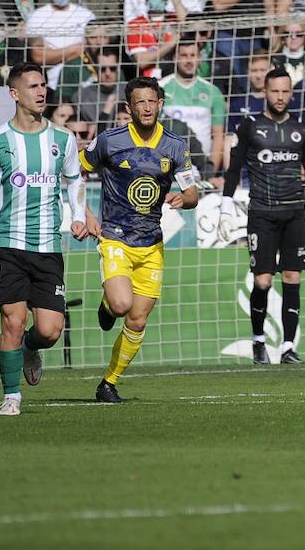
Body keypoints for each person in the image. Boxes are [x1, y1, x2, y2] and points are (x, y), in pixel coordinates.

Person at [0, 63, 88, 415]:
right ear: (14, 93)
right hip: (8, 244)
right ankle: (11, 396)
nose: (41, 91)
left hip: (48, 246)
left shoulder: (63, 139)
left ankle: (31, 349)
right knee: (12, 322)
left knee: (49, 331)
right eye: (33, 86)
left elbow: (75, 181)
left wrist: (77, 218)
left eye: (43, 84)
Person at [81, 77, 199, 402]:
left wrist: (183, 199)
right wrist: (85, 213)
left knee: (137, 317)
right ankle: (108, 304)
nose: (147, 108)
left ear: (160, 104)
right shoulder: (109, 141)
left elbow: (193, 192)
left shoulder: (175, 146)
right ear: (128, 107)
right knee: (122, 305)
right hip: (116, 237)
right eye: (140, 103)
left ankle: (108, 382)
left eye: (152, 102)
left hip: (152, 244)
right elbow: (75, 170)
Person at [223, 67, 305, 365]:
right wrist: (225, 208)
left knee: (292, 277)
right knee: (262, 282)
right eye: (275, 91)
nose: (280, 97)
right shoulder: (249, 127)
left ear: (292, 93)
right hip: (261, 212)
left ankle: (288, 346)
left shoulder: (301, 129)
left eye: (285, 91)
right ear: (264, 91)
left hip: (295, 213)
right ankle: (259, 340)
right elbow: (234, 169)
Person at [160, 40, 228, 174]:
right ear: (175, 58)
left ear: (200, 58)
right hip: (168, 167)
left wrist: (210, 172)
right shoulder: (161, 88)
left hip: (201, 168)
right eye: (184, 55)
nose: (189, 60)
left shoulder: (213, 92)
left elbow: (218, 136)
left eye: (193, 55)